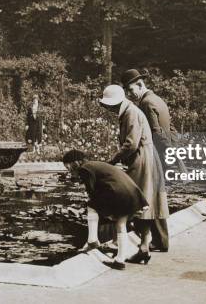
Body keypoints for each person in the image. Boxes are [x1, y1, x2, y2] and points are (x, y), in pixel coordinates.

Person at [99, 84, 168, 266]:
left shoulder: (131, 113)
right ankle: (144, 247)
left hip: (142, 161)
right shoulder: (128, 112)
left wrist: (112, 161)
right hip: (142, 159)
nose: (109, 109)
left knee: (134, 203)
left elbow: (131, 144)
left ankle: (127, 246)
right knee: (141, 205)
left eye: (109, 106)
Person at [62, 149, 149, 270]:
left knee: (91, 205)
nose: (69, 170)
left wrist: (104, 212)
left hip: (120, 193)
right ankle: (119, 260)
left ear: (74, 162)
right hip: (132, 193)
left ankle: (93, 240)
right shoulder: (93, 164)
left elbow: (91, 192)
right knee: (121, 223)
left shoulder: (84, 169)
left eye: (68, 167)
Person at [121, 68, 173, 252]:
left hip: (153, 156)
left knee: (149, 199)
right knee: (158, 199)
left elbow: (155, 133)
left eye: (130, 89)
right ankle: (161, 241)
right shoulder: (158, 99)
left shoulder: (145, 104)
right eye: (126, 91)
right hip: (162, 155)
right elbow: (169, 130)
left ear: (140, 84)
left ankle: (153, 241)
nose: (129, 94)